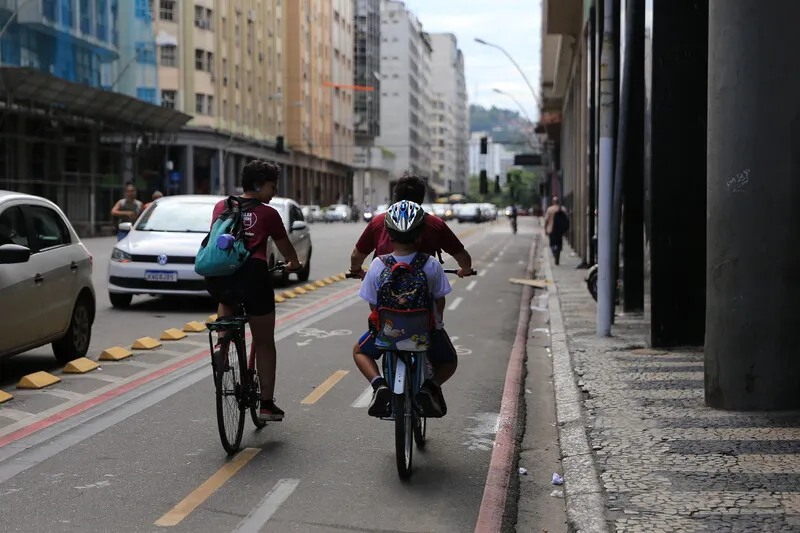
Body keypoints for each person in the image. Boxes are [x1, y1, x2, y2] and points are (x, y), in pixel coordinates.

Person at [205, 160, 302, 422]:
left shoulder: (222, 206)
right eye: (272, 186)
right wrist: (294, 263)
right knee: (264, 341)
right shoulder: (269, 214)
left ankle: (222, 344)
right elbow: (285, 247)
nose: (275, 192)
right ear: (259, 185)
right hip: (254, 277)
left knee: (227, 299)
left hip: (221, 276)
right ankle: (267, 405)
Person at [353, 200, 456, 419]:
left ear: (388, 235)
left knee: (360, 352)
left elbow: (372, 303)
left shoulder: (378, 265)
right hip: (424, 333)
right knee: (450, 360)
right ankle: (429, 389)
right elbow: (439, 301)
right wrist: (437, 324)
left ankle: (380, 387)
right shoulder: (431, 265)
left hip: (387, 333)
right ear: (420, 235)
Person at [349, 172, 475, 277]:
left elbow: (357, 256)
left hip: (383, 295)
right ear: (421, 198)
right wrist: (465, 270)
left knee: (375, 301)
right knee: (437, 298)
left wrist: (357, 271)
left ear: (395, 196)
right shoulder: (435, 224)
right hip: (424, 293)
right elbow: (462, 256)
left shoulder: (378, 221)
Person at [544, 196, 570, 265]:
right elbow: (566, 219)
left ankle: (555, 252)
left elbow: (546, 220)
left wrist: (545, 229)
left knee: (552, 244)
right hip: (559, 230)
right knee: (559, 243)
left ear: (553, 202)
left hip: (551, 229)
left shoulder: (550, 209)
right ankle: (557, 251)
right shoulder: (563, 209)